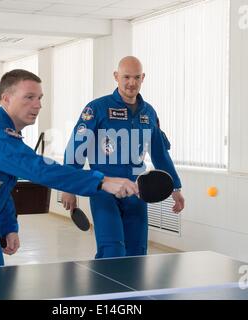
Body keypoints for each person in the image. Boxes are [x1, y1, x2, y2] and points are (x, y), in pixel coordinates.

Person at [0, 69, 139, 272]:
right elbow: (40, 169)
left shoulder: (9, 135)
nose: (37, 105)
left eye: (40, 98)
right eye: (29, 97)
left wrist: (8, 227)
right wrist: (100, 181)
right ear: (6, 99)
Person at [62, 56, 185, 259]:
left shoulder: (149, 113)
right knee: (112, 250)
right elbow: (76, 148)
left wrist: (175, 187)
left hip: (137, 191)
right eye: (126, 77)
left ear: (143, 78)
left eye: (136, 77)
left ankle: (133, 291)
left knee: (137, 252)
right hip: (103, 191)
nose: (131, 83)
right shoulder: (97, 108)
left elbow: (160, 153)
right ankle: (106, 291)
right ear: (116, 76)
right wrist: (69, 186)